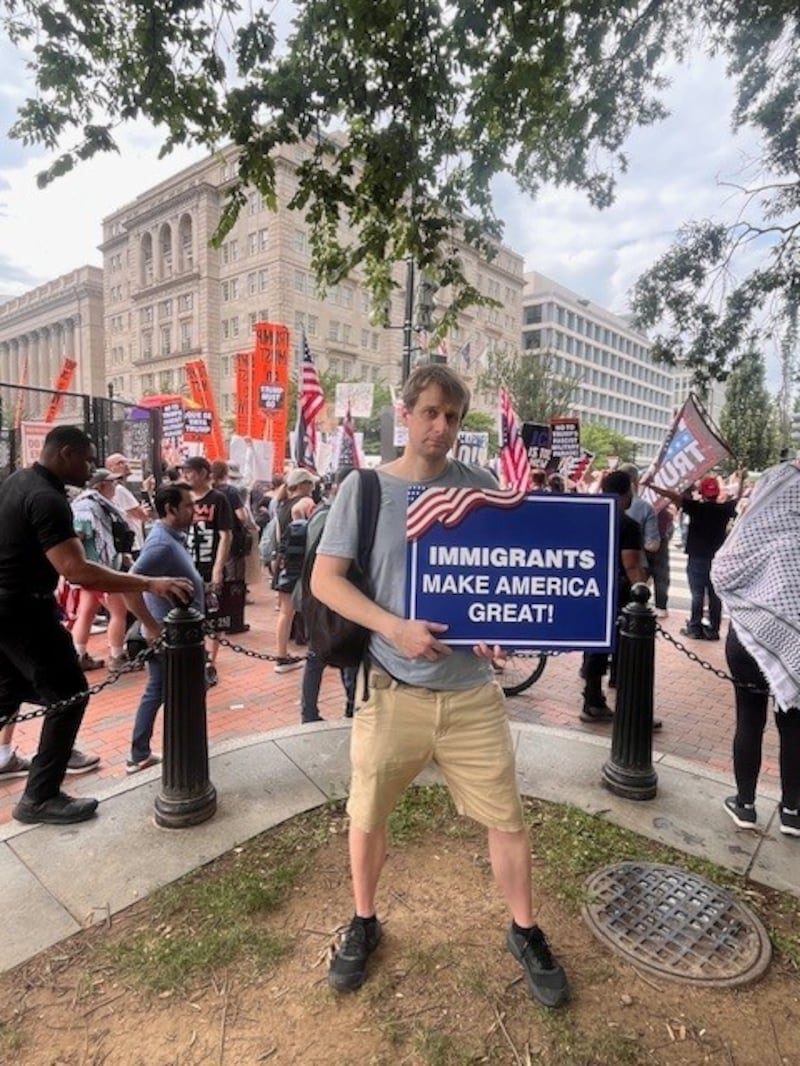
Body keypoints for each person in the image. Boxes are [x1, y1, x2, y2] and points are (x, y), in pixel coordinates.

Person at [311, 364, 569, 1008]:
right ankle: (364, 921)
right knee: (367, 814)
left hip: (471, 695)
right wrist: (393, 628)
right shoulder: (364, 489)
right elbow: (326, 581)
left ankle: (525, 929)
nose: (440, 427)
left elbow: (496, 580)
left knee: (507, 818)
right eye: (429, 413)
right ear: (405, 414)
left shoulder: (478, 487)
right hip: (391, 688)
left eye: (451, 417)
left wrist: (496, 629)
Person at [0, 425, 193, 825]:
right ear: (66, 453)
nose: (91, 467)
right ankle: (39, 796)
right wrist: (150, 583)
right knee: (69, 694)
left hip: (9, 609)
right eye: (87, 458)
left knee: (13, 691)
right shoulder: (46, 498)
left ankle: (52, 753)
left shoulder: (18, 481)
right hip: (23, 612)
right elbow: (77, 571)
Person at [711, 461, 800, 837]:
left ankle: (744, 804)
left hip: (749, 637)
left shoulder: (757, 533)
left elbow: (722, 570)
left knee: (750, 719)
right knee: (794, 726)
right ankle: (793, 811)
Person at [124, 482, 205, 773]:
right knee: (163, 690)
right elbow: (130, 586)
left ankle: (140, 752)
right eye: (188, 506)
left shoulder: (172, 537)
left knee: (157, 690)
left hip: (180, 636)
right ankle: (147, 752)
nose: (194, 511)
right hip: (170, 638)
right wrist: (151, 627)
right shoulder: (160, 543)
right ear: (170, 509)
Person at [580, 469, 648, 723]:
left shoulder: (589, 518)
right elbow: (630, 564)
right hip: (616, 591)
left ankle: (592, 697)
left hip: (589, 587)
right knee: (626, 649)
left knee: (594, 646)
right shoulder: (627, 524)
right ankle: (620, 706)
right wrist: (641, 592)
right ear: (626, 492)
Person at [295, 467, 357, 723]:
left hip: (320, 596)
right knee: (321, 656)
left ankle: (345, 707)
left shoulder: (327, 513)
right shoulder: (330, 516)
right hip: (321, 598)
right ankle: (312, 712)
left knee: (327, 654)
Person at [651, 471, 743, 641]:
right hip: (717, 558)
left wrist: (653, 486)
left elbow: (673, 496)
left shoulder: (696, 508)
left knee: (697, 593)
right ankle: (713, 629)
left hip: (697, 556)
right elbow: (738, 498)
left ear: (701, 492)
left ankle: (695, 626)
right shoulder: (724, 509)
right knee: (715, 594)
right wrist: (742, 480)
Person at [70, 468, 132, 673]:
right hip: (99, 568)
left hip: (93, 568)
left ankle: (78, 655)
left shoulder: (96, 504)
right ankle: (116, 656)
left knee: (86, 612)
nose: (115, 486)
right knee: (118, 611)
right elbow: (78, 535)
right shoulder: (88, 506)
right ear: (100, 485)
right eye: (111, 483)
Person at [181, 455, 233, 686]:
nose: (186, 475)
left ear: (203, 473)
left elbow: (226, 535)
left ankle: (210, 660)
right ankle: (196, 656)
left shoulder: (218, 499)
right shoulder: (183, 498)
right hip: (186, 565)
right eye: (184, 471)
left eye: (190, 471)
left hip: (208, 563)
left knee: (214, 614)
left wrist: (218, 569)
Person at [272, 468, 317, 674]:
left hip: (283, 560)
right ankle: (286, 656)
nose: (313, 488)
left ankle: (281, 654)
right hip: (299, 563)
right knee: (300, 609)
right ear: (303, 484)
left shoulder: (280, 504)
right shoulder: (306, 503)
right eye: (311, 483)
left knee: (285, 612)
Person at [105, 453, 153, 556]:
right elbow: (143, 515)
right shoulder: (119, 490)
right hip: (133, 544)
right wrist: (143, 510)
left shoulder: (118, 489)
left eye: (126, 461)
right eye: (120, 463)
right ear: (111, 468)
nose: (126, 464)